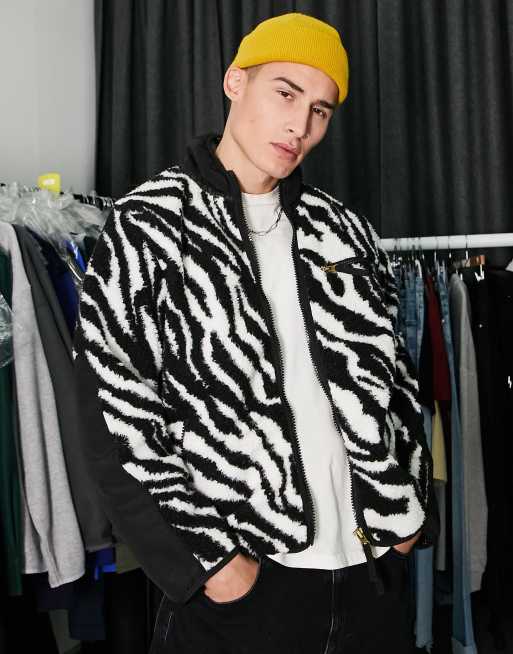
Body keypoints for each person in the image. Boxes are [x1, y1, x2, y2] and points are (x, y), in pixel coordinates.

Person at [73, 12, 439, 654]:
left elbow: (397, 383)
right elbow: (113, 417)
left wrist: (406, 508)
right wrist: (209, 563)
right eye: (286, 93)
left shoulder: (344, 231)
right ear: (235, 82)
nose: (300, 126)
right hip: (245, 586)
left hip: (369, 575)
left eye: (320, 110)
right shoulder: (149, 226)